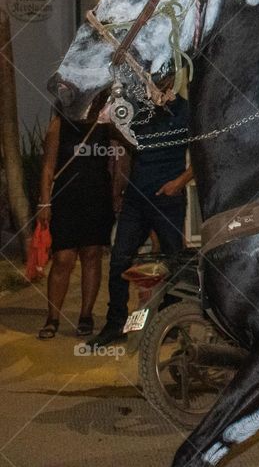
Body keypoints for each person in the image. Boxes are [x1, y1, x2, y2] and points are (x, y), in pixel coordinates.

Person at [87, 95, 192, 347]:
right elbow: (122, 137)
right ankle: (115, 325)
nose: (157, 86)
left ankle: (171, 324)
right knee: (119, 261)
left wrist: (178, 183)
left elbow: (203, 152)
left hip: (167, 199)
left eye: (163, 79)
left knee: (174, 263)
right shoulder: (140, 109)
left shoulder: (185, 110)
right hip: (136, 199)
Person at [36, 107, 121, 339]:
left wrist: (116, 193)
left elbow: (119, 160)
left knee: (92, 254)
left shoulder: (106, 124)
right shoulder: (59, 124)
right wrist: (44, 203)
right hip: (65, 199)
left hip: (97, 197)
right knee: (63, 258)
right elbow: (48, 167)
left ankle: (86, 315)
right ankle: (52, 318)